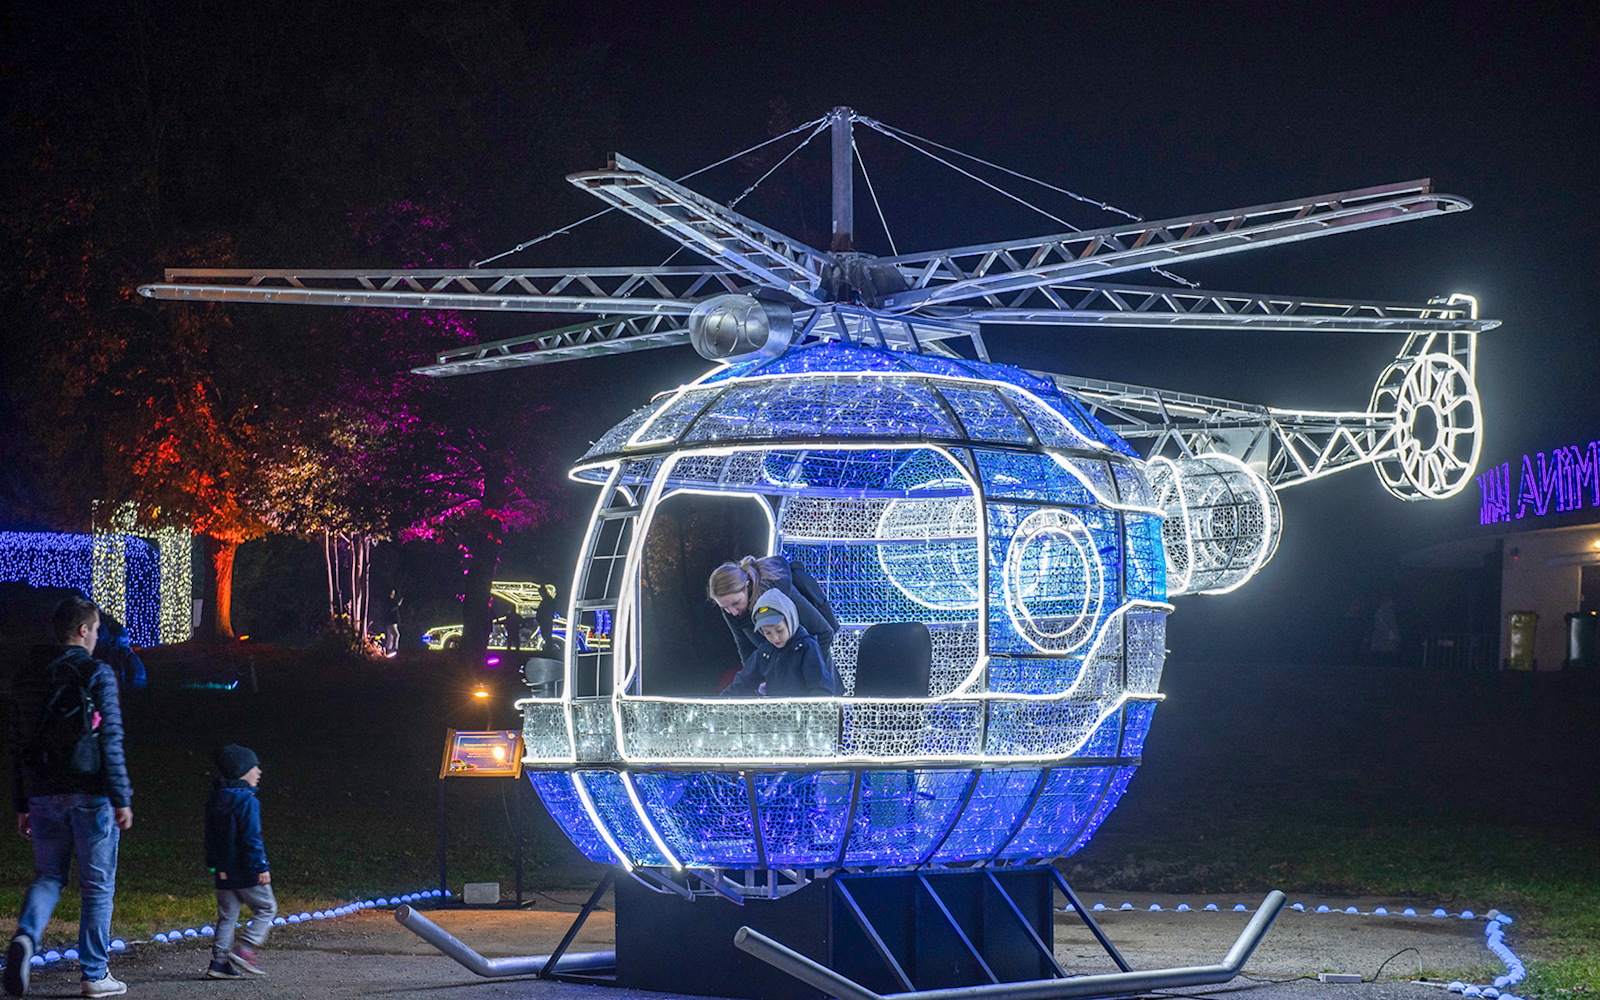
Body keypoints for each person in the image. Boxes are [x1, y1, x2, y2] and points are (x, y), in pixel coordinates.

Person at [5, 595, 133, 999]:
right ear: (82, 630)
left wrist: (22, 803)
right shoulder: (97, 672)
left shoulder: (27, 676)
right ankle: (94, 974)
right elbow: (110, 737)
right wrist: (121, 796)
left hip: (43, 792)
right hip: (91, 791)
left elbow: (18, 744)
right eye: (95, 630)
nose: (96, 637)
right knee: (97, 887)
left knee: (48, 876)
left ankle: (26, 937)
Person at [203, 744, 277, 980]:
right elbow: (251, 837)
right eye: (255, 767)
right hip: (246, 869)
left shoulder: (216, 799)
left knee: (227, 916)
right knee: (267, 908)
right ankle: (246, 949)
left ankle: (219, 963)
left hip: (223, 870)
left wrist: (214, 866)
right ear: (242, 771)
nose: (259, 772)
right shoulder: (247, 801)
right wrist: (261, 866)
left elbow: (210, 837)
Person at [707, 556, 837, 669]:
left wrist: (809, 671)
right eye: (724, 607)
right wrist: (754, 680)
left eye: (736, 603)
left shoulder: (781, 592)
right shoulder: (730, 608)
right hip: (780, 677)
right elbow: (746, 649)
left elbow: (824, 632)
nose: (733, 612)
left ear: (747, 585)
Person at [721, 589, 835, 697]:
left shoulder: (807, 647)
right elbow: (743, 681)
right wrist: (719, 703)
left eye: (779, 630)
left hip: (803, 710)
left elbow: (821, 688)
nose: (775, 638)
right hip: (775, 710)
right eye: (767, 633)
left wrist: (814, 710)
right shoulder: (765, 652)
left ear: (790, 621)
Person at [534, 583, 559, 652]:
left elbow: (546, 609)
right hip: (544, 620)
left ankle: (549, 648)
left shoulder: (548, 600)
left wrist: (542, 611)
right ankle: (548, 648)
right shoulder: (546, 600)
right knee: (545, 635)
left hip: (546, 620)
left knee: (547, 635)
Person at [383, 589, 404, 657]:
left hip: (393, 622)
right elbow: (391, 609)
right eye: (392, 593)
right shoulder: (388, 601)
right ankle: (395, 649)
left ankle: (388, 651)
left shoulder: (392, 601)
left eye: (393, 593)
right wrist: (397, 604)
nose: (392, 594)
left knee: (390, 638)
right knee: (396, 635)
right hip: (390, 622)